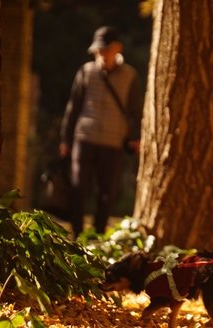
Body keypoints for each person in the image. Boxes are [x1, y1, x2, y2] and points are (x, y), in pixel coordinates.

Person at [60, 26, 143, 236]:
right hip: (84, 137)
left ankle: (97, 236)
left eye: (105, 50)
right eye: (98, 51)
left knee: (107, 194)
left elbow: (135, 111)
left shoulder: (130, 76)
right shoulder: (86, 72)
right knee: (78, 189)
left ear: (118, 49)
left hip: (113, 142)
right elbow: (73, 107)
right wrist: (66, 140)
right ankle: (77, 235)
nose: (101, 54)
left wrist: (136, 138)